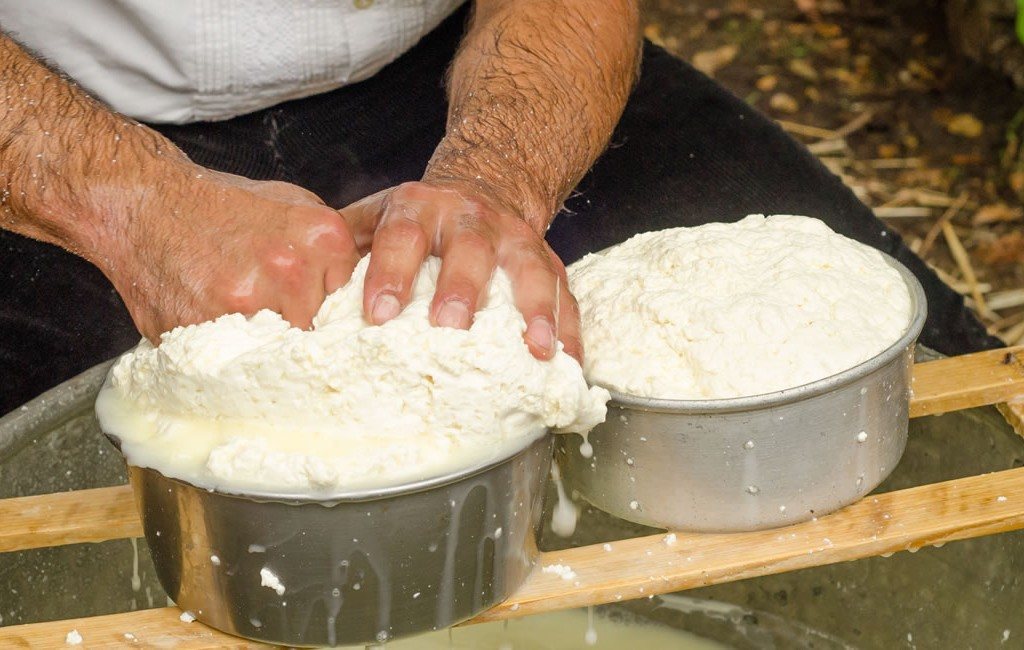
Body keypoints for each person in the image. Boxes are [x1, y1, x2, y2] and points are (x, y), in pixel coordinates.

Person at [0, 1, 1000, 417]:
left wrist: (495, 179)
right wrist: (135, 207)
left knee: (916, 391)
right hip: (58, 129)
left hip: (465, 73)